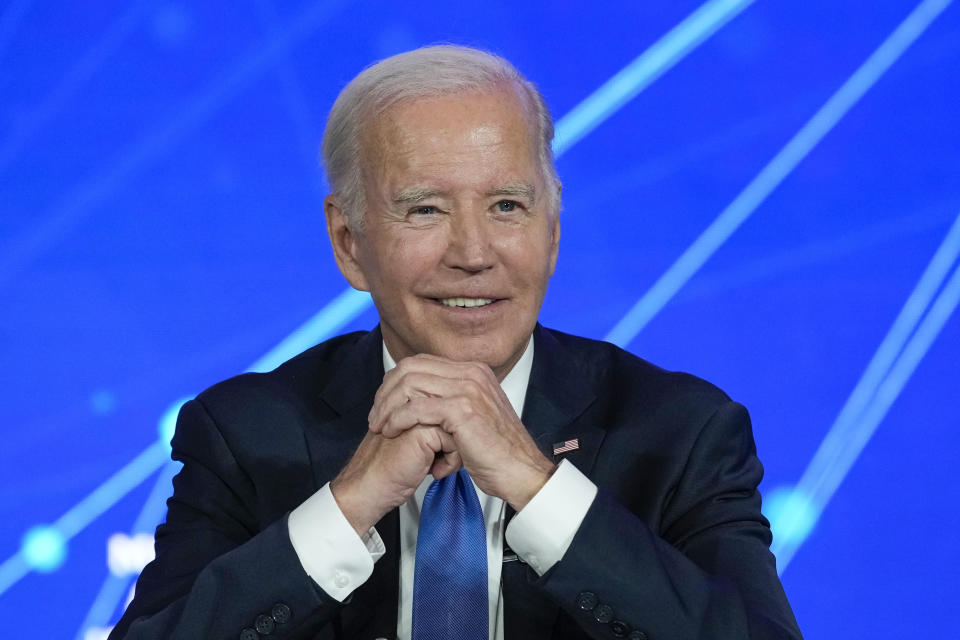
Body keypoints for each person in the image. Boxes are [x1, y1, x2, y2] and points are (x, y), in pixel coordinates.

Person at [110, 45, 803, 640]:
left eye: (507, 206)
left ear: (553, 229)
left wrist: (535, 487)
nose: (473, 253)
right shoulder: (244, 434)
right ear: (349, 243)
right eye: (426, 210)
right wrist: (352, 501)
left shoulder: (680, 431)